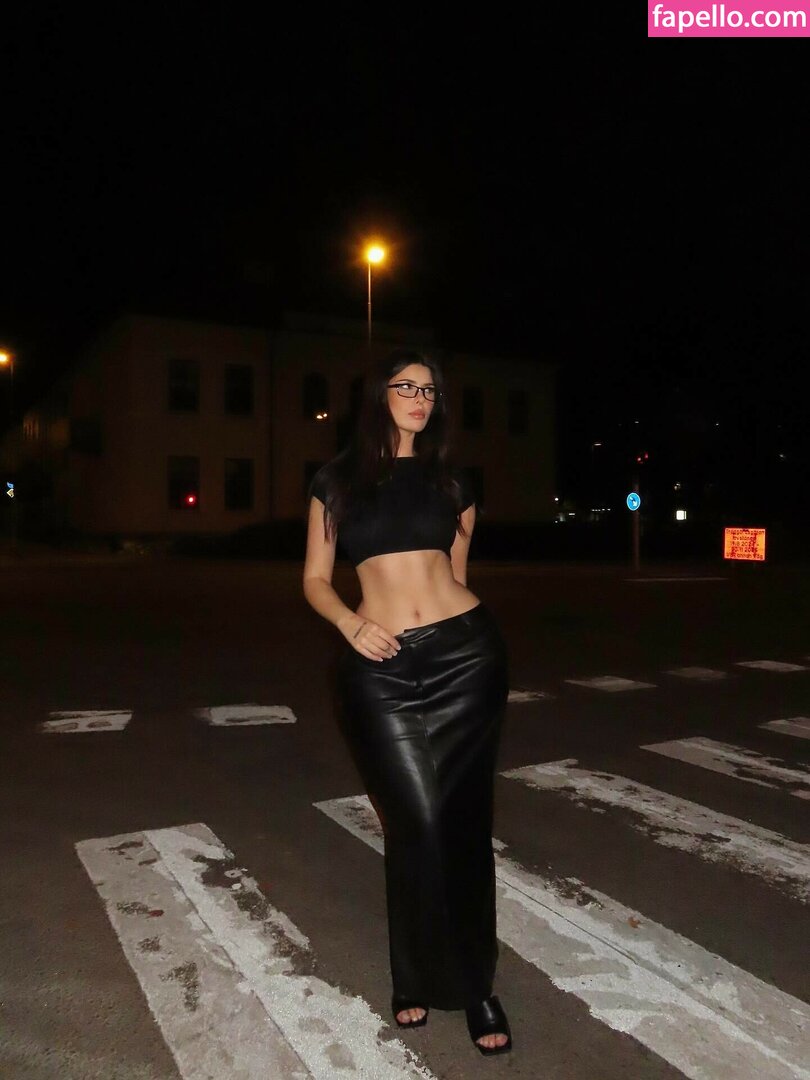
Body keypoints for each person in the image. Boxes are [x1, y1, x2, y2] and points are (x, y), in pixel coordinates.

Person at [303, 349, 511, 1056]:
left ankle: (476, 986)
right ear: (378, 395)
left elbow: (457, 573)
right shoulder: (336, 482)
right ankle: (414, 970)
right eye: (407, 387)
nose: (421, 400)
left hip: (466, 659)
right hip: (379, 663)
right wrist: (349, 624)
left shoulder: (454, 480)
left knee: (462, 826)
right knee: (414, 820)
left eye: (430, 391)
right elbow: (315, 579)